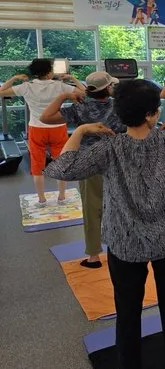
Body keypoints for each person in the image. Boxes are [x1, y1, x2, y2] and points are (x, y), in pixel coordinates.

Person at [43, 79, 165, 369]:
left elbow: (62, 169)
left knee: (127, 309)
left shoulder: (107, 148)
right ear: (152, 114)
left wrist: (80, 131)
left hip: (125, 242)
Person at [39, 71, 126, 269]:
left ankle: (94, 257)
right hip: (117, 162)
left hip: (90, 163)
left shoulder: (81, 108)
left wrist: (64, 95)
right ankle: (121, 247)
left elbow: (46, 117)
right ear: (108, 88)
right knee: (120, 205)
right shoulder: (120, 107)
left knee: (92, 208)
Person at [0, 59, 85, 204]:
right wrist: (72, 78)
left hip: (36, 128)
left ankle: (41, 199)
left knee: (37, 166)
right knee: (61, 163)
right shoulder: (60, 86)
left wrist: (14, 78)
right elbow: (84, 92)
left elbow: (1, 92)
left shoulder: (26, 86)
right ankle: (62, 196)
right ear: (49, 72)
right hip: (57, 128)